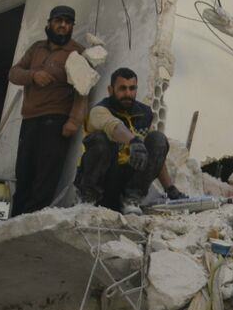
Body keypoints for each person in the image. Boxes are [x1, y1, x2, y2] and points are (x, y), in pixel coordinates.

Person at [7, 5, 87, 215]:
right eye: (59, 21)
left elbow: (83, 90)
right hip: (30, 118)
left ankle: (32, 217)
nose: (63, 25)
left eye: (68, 22)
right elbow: (14, 73)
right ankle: (16, 217)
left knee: (46, 173)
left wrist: (74, 121)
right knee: (23, 171)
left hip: (56, 119)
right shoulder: (37, 48)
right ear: (49, 23)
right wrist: (33, 75)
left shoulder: (76, 52)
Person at [75, 67, 185, 214]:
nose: (128, 93)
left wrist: (170, 188)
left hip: (127, 183)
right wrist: (134, 142)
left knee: (158, 139)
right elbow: (115, 127)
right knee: (99, 141)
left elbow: (156, 154)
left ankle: (131, 200)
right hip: (103, 178)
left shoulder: (144, 113)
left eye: (132, 88)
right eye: (122, 88)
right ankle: (87, 200)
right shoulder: (99, 111)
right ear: (110, 90)